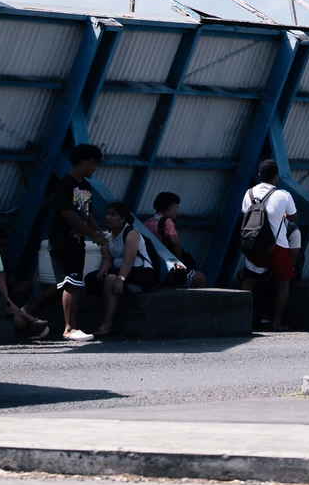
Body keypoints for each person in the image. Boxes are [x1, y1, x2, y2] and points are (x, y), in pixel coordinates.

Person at [25, 143, 105, 340]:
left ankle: (31, 309)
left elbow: (87, 213)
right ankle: (70, 328)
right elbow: (68, 213)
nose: (95, 169)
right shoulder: (65, 184)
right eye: (94, 164)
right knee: (72, 282)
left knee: (66, 282)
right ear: (85, 161)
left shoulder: (85, 186)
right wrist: (90, 233)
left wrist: (97, 231)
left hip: (78, 241)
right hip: (62, 240)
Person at [237, 159, 298, 329]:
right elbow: (294, 218)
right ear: (276, 176)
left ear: (259, 175)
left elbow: (245, 214)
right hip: (277, 245)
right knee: (283, 283)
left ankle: (238, 319)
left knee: (249, 281)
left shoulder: (249, 193)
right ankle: (276, 322)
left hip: (254, 244)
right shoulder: (283, 195)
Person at [92, 202, 161, 338]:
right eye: (107, 214)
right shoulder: (107, 237)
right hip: (123, 270)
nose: (109, 217)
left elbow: (129, 260)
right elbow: (108, 259)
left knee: (111, 279)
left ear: (122, 218)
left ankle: (107, 323)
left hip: (142, 271)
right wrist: (104, 268)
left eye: (113, 215)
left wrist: (120, 279)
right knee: (92, 278)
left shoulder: (131, 233)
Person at [144, 192, 208, 288]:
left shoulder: (147, 223)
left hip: (154, 265)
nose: (177, 211)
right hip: (168, 266)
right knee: (201, 278)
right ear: (170, 208)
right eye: (176, 207)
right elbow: (174, 242)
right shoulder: (167, 221)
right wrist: (179, 263)